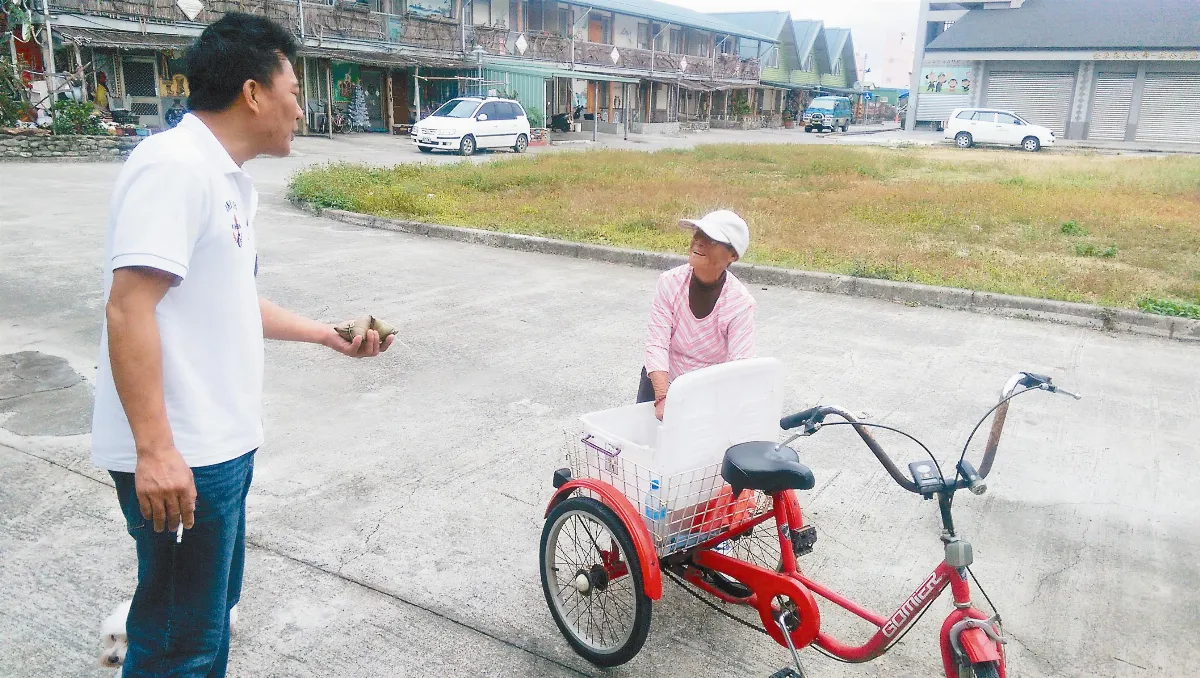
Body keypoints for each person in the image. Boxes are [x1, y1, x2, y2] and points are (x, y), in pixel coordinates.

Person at [91, 13, 393, 678]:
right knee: (179, 645)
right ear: (253, 93)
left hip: (218, 450)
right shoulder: (175, 167)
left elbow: (230, 301)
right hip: (184, 456)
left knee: (207, 625)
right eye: (294, 91)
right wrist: (156, 450)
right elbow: (128, 308)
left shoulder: (224, 180)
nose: (301, 110)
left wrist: (327, 335)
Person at [637, 210, 756, 420]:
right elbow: (657, 343)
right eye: (698, 234)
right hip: (660, 381)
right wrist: (662, 397)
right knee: (645, 437)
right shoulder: (669, 282)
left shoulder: (740, 303)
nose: (699, 241)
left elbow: (739, 366)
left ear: (733, 255)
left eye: (711, 239)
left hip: (705, 391)